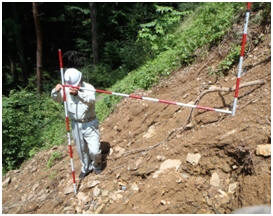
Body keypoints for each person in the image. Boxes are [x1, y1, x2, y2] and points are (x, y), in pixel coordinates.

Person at [51, 68, 102, 179]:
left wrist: (78, 94)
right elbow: (57, 99)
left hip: (90, 123)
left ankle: (97, 164)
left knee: (94, 150)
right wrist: (55, 91)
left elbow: (91, 101)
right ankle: (86, 168)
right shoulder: (66, 89)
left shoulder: (88, 88)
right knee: (81, 149)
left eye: (76, 84)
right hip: (76, 125)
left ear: (80, 79)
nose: (73, 86)